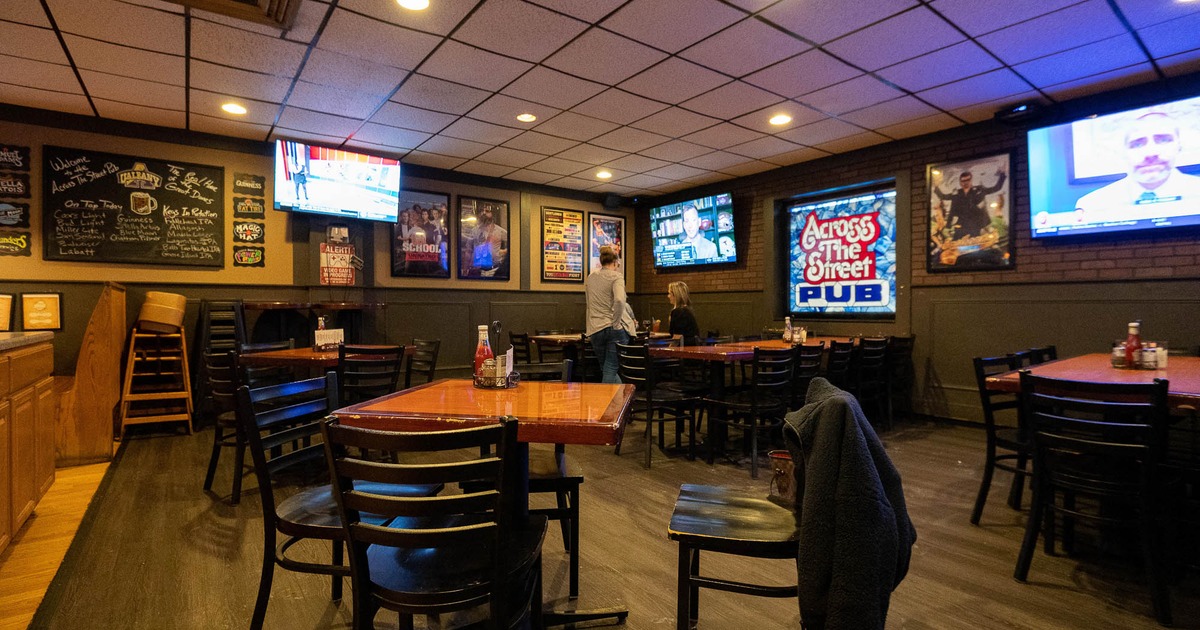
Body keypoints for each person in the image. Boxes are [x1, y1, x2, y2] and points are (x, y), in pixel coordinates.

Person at [1075, 111, 1200, 220]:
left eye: (1163, 140)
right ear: (1124, 153)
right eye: (1137, 144)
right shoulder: (1091, 205)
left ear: (1179, 147)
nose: (1151, 153)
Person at [585, 246, 635, 383]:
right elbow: (619, 300)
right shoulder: (617, 277)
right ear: (615, 262)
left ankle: (620, 402)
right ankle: (607, 403)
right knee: (611, 368)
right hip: (614, 329)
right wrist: (617, 322)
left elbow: (589, 304)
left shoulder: (591, 277)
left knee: (607, 368)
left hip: (596, 328)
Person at [932, 166, 1006, 237]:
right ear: (960, 182)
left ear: (971, 180)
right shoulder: (956, 193)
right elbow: (943, 196)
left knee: (975, 246)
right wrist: (936, 186)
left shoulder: (979, 190)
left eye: (967, 180)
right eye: (963, 181)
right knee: (958, 246)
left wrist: (1002, 174)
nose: (965, 182)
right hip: (960, 226)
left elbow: (996, 188)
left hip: (975, 225)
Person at [666, 281, 699, 346]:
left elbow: (677, 338)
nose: (668, 296)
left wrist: (667, 351)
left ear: (675, 295)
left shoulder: (678, 312)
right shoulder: (686, 310)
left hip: (684, 350)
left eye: (669, 293)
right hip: (692, 348)